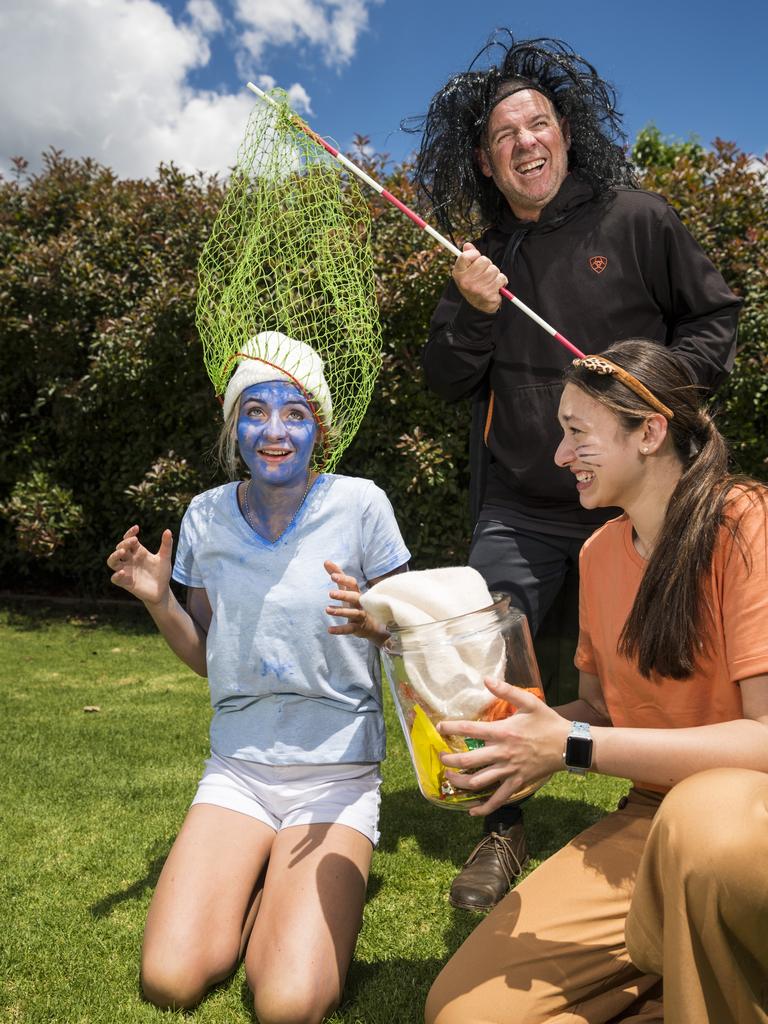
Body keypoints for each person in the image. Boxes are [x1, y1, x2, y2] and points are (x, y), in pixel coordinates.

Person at [413, 32, 742, 910]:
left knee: (684, 656)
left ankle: (707, 802)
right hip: (522, 504)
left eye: (539, 123)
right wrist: (474, 311)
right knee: (490, 657)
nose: (526, 140)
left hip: (638, 498)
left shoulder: (637, 219)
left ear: (565, 133)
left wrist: (653, 398)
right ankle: (500, 830)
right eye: (505, 135)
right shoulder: (482, 262)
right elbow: (446, 375)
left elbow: (714, 319)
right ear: (485, 162)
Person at [424, 339, 768, 1024]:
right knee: (463, 1013)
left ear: (650, 432)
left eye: (576, 432)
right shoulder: (599, 552)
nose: (558, 455)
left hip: (742, 821)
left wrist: (573, 745)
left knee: (703, 833)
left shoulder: (747, 523)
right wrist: (519, 742)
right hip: (651, 820)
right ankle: (693, 978)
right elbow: (602, 711)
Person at [106, 332, 410, 1023]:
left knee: (288, 1004)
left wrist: (380, 626)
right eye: (255, 411)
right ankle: (262, 883)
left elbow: (418, 639)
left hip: (336, 776)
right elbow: (209, 654)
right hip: (239, 772)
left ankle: (286, 888)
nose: (274, 431)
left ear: (319, 431)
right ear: (233, 427)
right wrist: (159, 600)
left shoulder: (362, 506)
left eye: (296, 414)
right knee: (171, 980)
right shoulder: (206, 516)